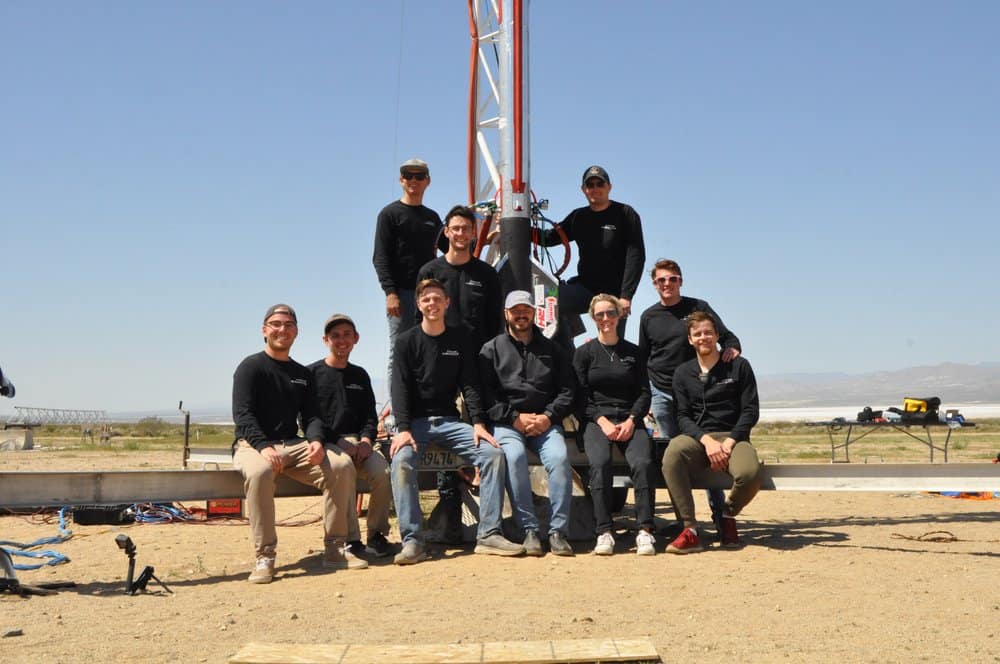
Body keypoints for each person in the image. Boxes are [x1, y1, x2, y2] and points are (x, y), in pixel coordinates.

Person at [389, 279, 525, 564]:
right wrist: (402, 429)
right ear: (418, 304)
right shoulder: (406, 341)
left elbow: (470, 385)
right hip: (415, 424)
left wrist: (477, 423)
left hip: (451, 421)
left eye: (437, 298)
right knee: (401, 461)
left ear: (447, 303)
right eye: (426, 299)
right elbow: (399, 388)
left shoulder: (459, 339)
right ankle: (413, 541)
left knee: (492, 453)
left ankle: (488, 533)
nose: (432, 303)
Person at [232, 304, 366, 584]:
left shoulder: (301, 374)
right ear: (264, 330)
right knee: (260, 473)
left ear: (296, 332)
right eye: (276, 324)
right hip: (252, 445)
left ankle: (335, 548)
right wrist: (262, 446)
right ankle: (265, 555)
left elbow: (313, 415)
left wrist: (316, 441)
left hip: (293, 444)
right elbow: (243, 415)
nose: (282, 330)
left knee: (340, 464)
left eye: (288, 325)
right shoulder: (250, 367)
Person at [416, 204, 504, 541]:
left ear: (472, 232)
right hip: (438, 365)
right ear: (447, 232)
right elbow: (418, 319)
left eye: (467, 229)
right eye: (455, 228)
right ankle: (449, 510)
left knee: (479, 434)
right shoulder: (431, 270)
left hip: (477, 364)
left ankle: (490, 518)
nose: (461, 234)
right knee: (443, 434)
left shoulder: (486, 274)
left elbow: (497, 322)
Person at [637, 258, 742, 533]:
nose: (667, 284)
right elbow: (642, 359)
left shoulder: (698, 308)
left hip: (696, 393)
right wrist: (647, 395)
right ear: (654, 285)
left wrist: (733, 349)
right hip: (661, 392)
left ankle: (719, 514)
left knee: (707, 452)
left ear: (681, 281)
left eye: (672, 279)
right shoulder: (648, 317)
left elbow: (726, 337)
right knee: (674, 457)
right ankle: (685, 522)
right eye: (661, 280)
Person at [478, 290, 577, 557]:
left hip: (545, 422)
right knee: (515, 456)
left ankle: (558, 532)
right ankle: (529, 530)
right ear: (506, 314)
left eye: (526, 310)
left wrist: (548, 416)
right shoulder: (491, 349)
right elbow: (487, 394)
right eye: (515, 310)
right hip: (508, 423)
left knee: (558, 459)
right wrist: (514, 418)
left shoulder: (553, 349)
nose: (521, 315)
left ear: (534, 313)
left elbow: (567, 391)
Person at [661, 312, 761, 554]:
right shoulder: (683, 373)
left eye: (708, 332)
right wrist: (706, 442)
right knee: (671, 456)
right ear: (690, 339)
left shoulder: (738, 366)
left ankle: (726, 516)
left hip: (734, 438)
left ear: (717, 335)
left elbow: (750, 411)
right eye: (697, 334)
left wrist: (729, 442)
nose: (703, 337)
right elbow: (682, 416)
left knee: (749, 474)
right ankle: (690, 530)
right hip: (698, 439)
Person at [573, 294, 656, 556]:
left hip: (630, 419)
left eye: (610, 313)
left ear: (620, 315)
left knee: (642, 464)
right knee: (599, 464)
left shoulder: (634, 353)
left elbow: (644, 392)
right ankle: (604, 532)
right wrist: (601, 421)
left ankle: (645, 531)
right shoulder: (584, 353)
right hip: (598, 421)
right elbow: (579, 395)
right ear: (593, 318)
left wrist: (632, 420)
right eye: (600, 315)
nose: (606, 319)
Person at [308, 313, 393, 559]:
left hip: (360, 443)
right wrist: (339, 441)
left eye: (347, 335)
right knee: (343, 468)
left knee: (383, 473)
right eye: (335, 336)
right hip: (329, 443)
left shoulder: (360, 375)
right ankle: (350, 540)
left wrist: (367, 441)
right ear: (326, 340)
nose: (341, 340)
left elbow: (369, 416)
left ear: (356, 338)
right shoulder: (311, 374)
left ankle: (377, 535)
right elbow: (310, 418)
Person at [372, 158, 445, 423]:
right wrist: (389, 292)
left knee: (431, 348)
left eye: (419, 176)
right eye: (408, 176)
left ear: (427, 180)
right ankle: (397, 407)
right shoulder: (389, 214)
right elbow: (380, 257)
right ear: (401, 180)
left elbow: (453, 247)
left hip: (429, 298)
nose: (414, 181)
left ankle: (428, 403)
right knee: (400, 349)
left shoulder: (432, 218)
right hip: (401, 294)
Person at [539, 165, 645, 346]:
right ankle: (567, 355)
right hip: (586, 288)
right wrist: (518, 227)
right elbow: (549, 238)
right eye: (590, 185)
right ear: (583, 190)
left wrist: (626, 296)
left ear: (609, 187)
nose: (595, 189)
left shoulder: (626, 214)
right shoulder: (578, 217)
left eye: (599, 184)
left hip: (615, 295)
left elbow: (636, 256)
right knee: (548, 302)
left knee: (613, 345)